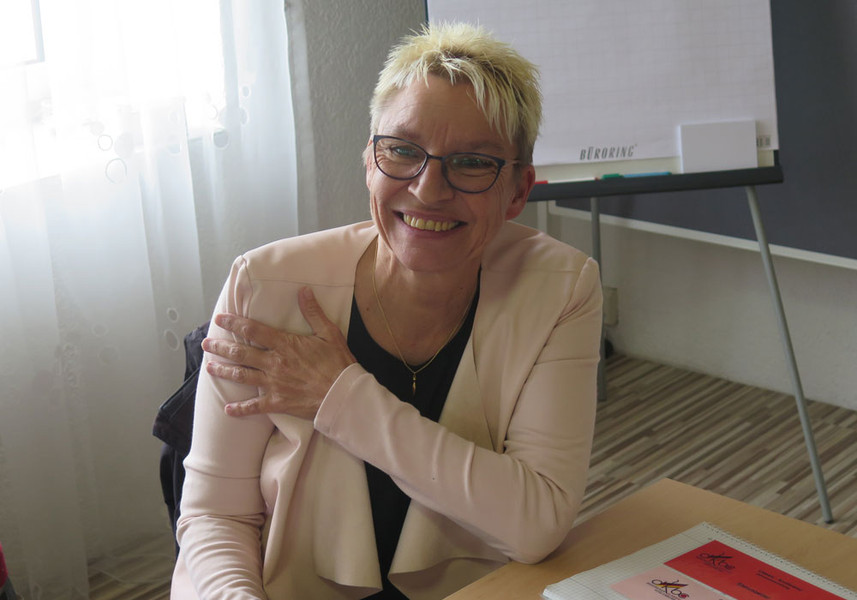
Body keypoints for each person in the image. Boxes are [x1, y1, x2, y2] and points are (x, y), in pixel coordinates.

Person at [171, 22, 602, 599]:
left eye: (472, 162)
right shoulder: (266, 286)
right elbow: (215, 517)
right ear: (370, 163)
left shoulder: (561, 289)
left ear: (518, 192)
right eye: (402, 150)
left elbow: (536, 523)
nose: (428, 190)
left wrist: (341, 397)